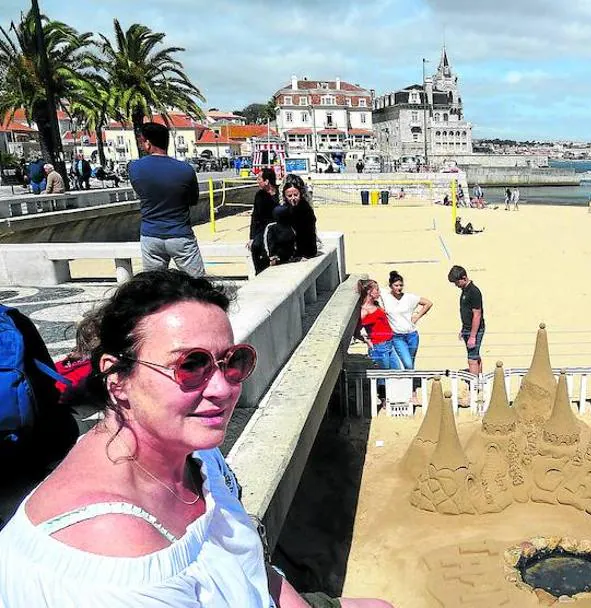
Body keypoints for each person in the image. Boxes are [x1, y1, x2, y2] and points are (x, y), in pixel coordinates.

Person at [0, 270, 393, 608]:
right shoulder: (114, 555)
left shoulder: (195, 453)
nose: (223, 388)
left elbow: (255, 568)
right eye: (191, 365)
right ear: (116, 378)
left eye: (232, 361)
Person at [128, 122, 205, 277]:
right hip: (180, 234)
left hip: (150, 235)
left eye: (142, 141)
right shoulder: (186, 169)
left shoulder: (134, 167)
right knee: (198, 285)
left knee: (154, 287)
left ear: (148, 143)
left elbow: (140, 191)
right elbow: (192, 200)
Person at [381, 270, 433, 370]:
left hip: (412, 335)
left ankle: (410, 383)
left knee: (411, 362)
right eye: (396, 285)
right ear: (391, 285)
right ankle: (408, 381)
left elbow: (428, 303)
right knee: (408, 363)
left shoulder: (409, 297)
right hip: (397, 336)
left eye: (401, 285)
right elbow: (372, 288)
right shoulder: (385, 296)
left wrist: (417, 316)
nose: (399, 288)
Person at [448, 265, 484, 374]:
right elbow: (466, 312)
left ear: (464, 278)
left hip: (475, 330)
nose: (456, 285)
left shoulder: (474, 292)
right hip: (468, 328)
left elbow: (477, 315)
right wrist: (463, 329)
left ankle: (474, 386)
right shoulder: (465, 290)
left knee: (471, 359)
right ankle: (479, 380)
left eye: (457, 282)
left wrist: (472, 336)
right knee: (475, 355)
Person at [356, 279, 399, 371]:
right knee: (383, 377)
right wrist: (367, 341)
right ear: (369, 292)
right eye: (377, 290)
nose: (379, 292)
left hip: (389, 343)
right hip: (379, 346)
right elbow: (356, 331)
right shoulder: (364, 311)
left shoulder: (376, 304)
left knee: (397, 373)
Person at [248, 168, 279, 273]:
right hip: (262, 229)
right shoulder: (259, 196)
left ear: (267, 181)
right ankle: (259, 272)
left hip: (278, 228)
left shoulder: (280, 194)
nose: (258, 181)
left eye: (259, 179)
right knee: (256, 246)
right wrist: (251, 237)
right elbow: (255, 216)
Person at [282, 174, 318, 259]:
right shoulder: (282, 209)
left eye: (296, 195)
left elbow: (308, 235)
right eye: (289, 196)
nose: (293, 198)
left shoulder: (306, 210)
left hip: (306, 251)